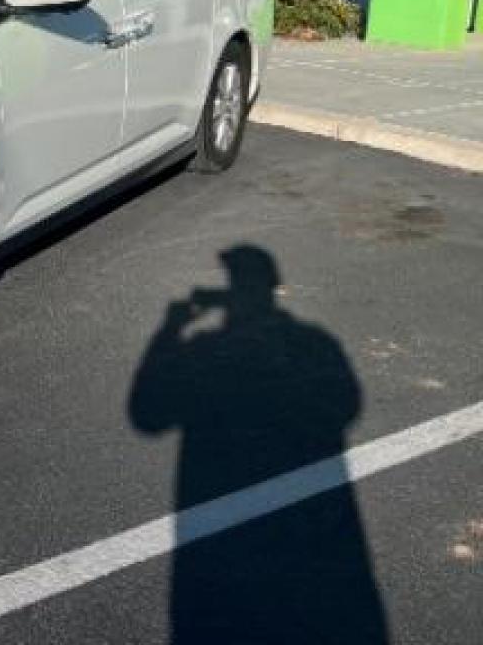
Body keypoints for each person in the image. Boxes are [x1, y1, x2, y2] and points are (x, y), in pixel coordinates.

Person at [128, 245, 388, 644]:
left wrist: (170, 329)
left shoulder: (206, 350)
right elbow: (347, 406)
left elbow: (147, 415)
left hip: (221, 550)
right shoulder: (314, 342)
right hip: (316, 538)